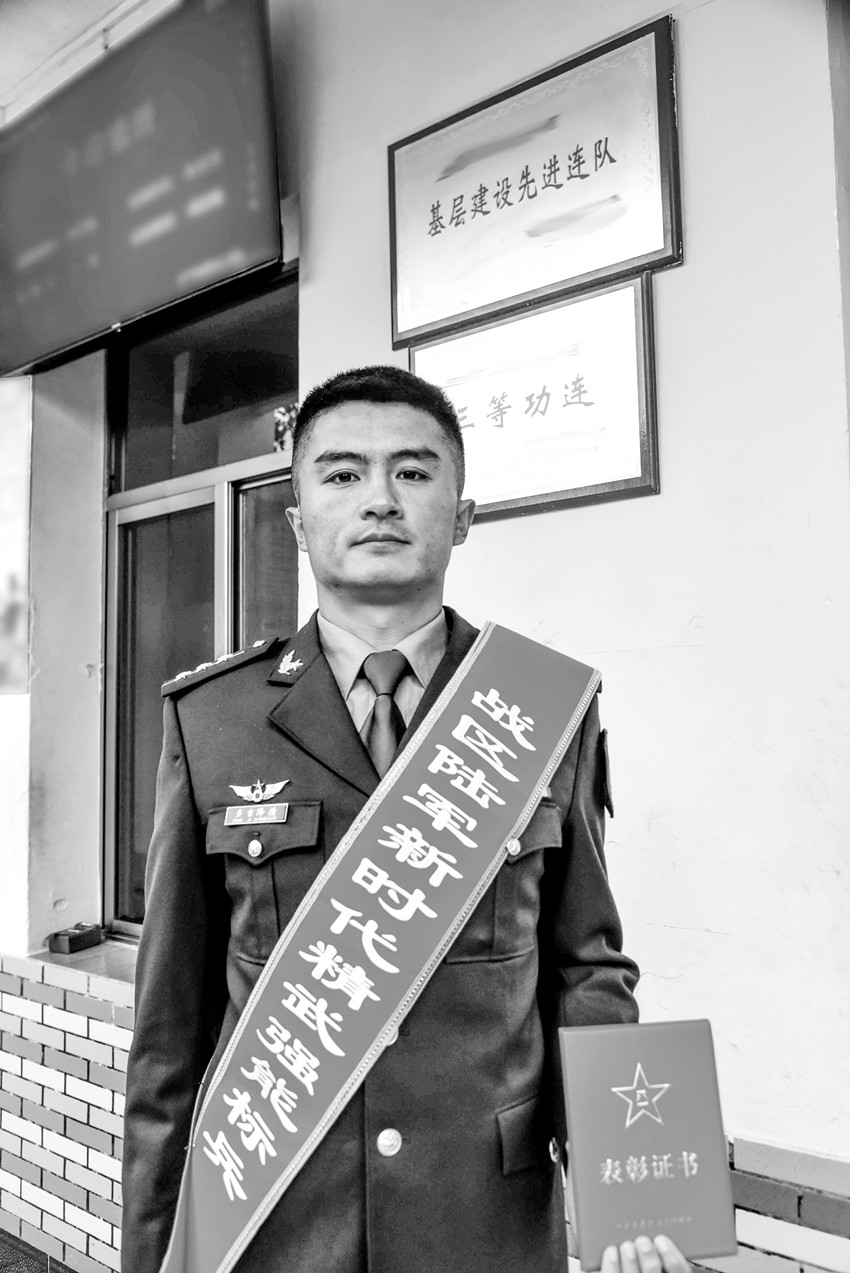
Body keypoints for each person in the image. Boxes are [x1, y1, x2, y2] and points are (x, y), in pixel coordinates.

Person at [122, 365, 687, 1273]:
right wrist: (151, 1255)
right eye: (343, 473)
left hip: (485, 1226)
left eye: (414, 472)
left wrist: (633, 1192)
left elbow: (586, 967)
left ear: (462, 516)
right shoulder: (211, 719)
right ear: (297, 520)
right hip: (277, 1225)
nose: (379, 498)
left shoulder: (541, 707)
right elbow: (170, 1034)